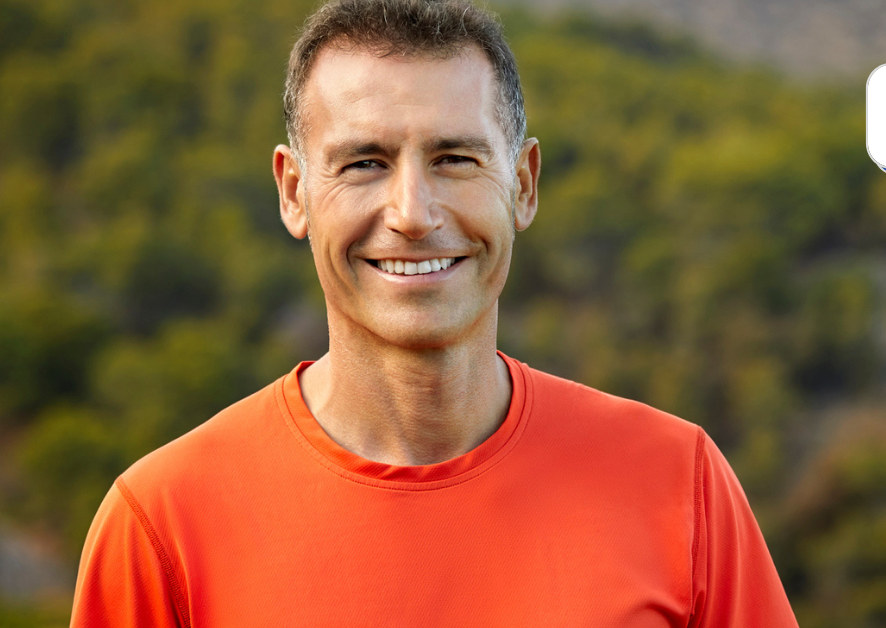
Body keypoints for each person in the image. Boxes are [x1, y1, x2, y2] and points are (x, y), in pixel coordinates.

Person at [69, 0, 798, 625]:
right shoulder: (162, 524)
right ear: (293, 193)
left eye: (454, 159)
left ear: (523, 185)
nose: (413, 213)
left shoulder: (677, 484)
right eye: (364, 163)